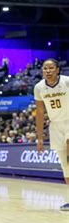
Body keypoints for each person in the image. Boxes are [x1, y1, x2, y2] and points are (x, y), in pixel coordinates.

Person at [34, 58, 69, 211]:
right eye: (45, 68)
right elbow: (40, 113)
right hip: (55, 126)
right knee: (65, 166)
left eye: (50, 68)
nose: (47, 71)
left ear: (57, 70)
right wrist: (40, 138)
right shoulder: (39, 87)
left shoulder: (67, 82)